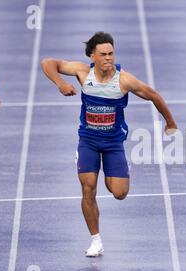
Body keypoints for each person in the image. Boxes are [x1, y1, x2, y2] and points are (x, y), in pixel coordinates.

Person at [41, 32, 177, 257]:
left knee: (119, 193)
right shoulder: (82, 72)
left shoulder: (124, 80)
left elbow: (153, 95)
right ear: (92, 56)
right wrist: (61, 83)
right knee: (88, 188)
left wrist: (170, 121)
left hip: (114, 143)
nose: (108, 58)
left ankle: (114, 173)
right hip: (88, 141)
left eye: (111, 53)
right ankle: (95, 240)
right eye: (103, 54)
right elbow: (48, 63)